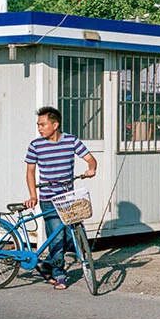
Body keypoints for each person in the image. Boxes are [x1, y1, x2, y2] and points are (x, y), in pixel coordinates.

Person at [23, 106, 98, 290]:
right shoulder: (36, 145)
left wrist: (91, 168)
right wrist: (33, 195)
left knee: (72, 236)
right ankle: (59, 274)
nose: (40, 128)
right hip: (48, 198)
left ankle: (46, 264)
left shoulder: (71, 141)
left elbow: (90, 158)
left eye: (43, 124)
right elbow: (30, 172)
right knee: (56, 237)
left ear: (55, 125)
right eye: (38, 125)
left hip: (68, 199)